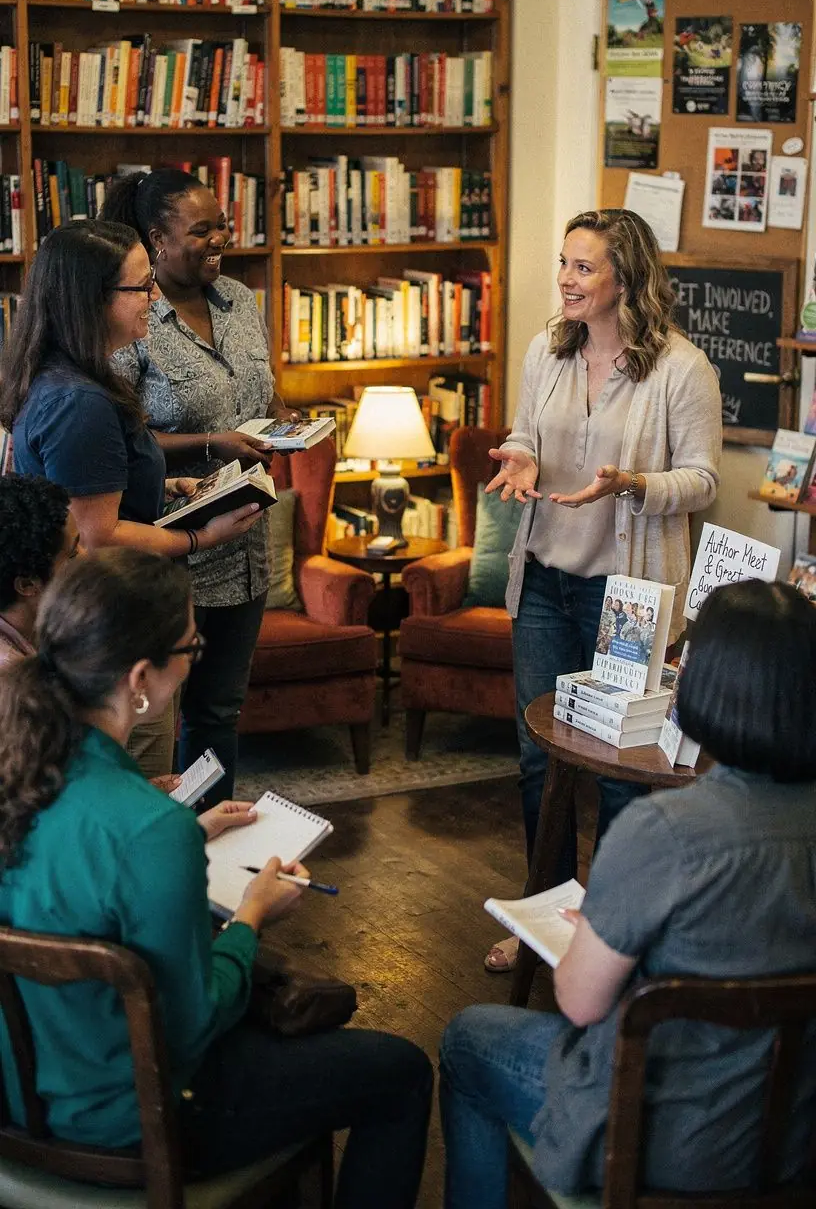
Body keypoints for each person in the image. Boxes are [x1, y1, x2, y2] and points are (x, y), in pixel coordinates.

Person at [0, 548, 433, 1205]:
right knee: (401, 1071)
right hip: (132, 1118)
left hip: (19, 1092)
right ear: (140, 677)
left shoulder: (24, 770)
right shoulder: (149, 827)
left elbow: (77, 866)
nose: (195, 658)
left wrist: (189, 832)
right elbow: (193, 1022)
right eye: (191, 647)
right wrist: (253, 915)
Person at [441, 579, 816, 1207]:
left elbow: (580, 1001)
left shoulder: (662, 832)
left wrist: (589, 934)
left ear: (702, 685)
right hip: (796, 1139)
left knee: (467, 1038)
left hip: (663, 1137)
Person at [483, 208, 721, 972]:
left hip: (628, 600)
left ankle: (608, 939)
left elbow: (703, 480)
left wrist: (634, 485)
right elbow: (526, 433)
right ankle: (541, 922)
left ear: (628, 279)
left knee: (622, 768)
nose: (566, 279)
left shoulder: (682, 368)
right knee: (538, 759)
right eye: (564, 263)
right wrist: (520, 454)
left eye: (583, 267)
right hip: (544, 583)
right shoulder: (545, 350)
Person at [0, 220, 262, 778]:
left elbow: (81, 487)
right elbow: (98, 535)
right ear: (91, 299)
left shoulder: (69, 379)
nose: (156, 298)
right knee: (139, 775)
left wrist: (163, 485)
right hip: (114, 622)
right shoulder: (80, 402)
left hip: (102, 619)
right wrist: (199, 537)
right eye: (142, 287)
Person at [99, 169, 291, 803]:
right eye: (201, 229)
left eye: (222, 226)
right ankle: (159, 838)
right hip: (169, 546)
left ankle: (212, 836)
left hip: (245, 545)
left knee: (219, 713)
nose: (219, 240)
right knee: (153, 721)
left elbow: (261, 391)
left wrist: (284, 422)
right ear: (157, 238)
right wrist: (215, 443)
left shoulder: (239, 300)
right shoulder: (132, 318)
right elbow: (121, 440)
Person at [0, 475, 80, 669]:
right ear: (27, 584)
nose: (86, 558)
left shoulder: (41, 623)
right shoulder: (15, 676)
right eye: (72, 555)